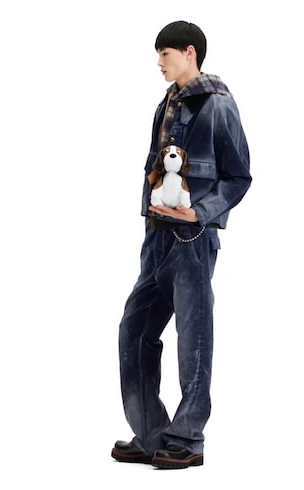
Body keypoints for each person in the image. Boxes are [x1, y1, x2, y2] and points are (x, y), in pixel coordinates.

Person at [111, 20, 252, 469]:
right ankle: (152, 434)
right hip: (156, 236)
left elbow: (239, 175)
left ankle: (188, 438)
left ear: (189, 52)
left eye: (165, 53)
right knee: (134, 330)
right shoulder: (166, 103)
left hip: (192, 238)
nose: (159, 62)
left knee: (193, 337)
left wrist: (201, 212)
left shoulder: (218, 104)